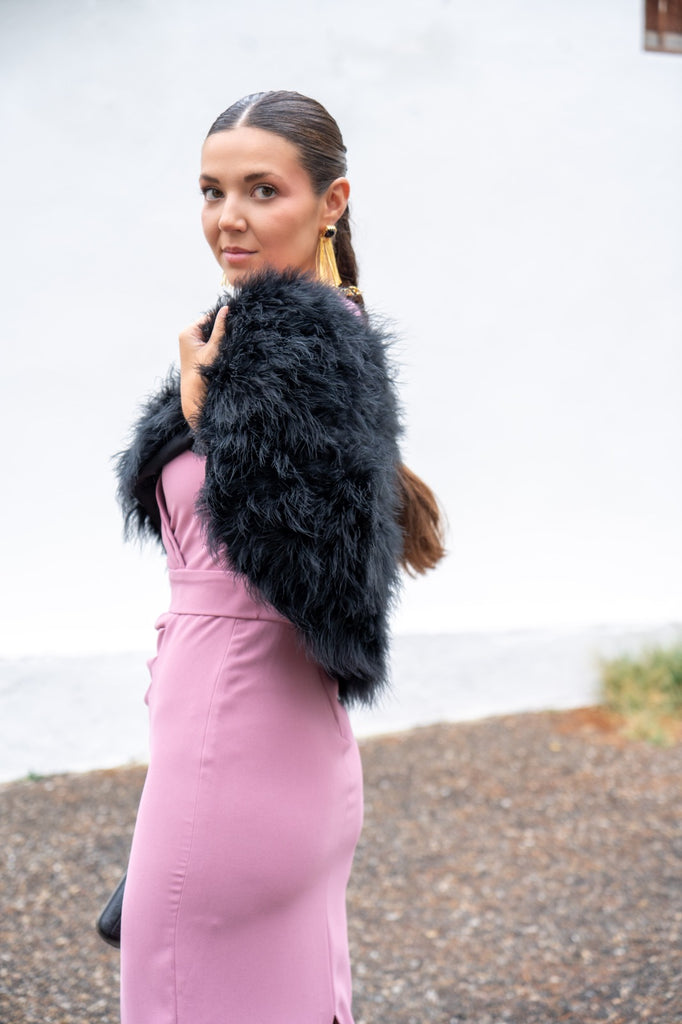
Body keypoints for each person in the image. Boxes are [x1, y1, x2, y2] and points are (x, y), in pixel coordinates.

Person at [115, 90, 444, 1024]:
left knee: (181, 996)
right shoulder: (280, 333)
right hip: (257, 726)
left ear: (331, 202)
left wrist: (202, 406)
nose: (230, 218)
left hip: (237, 730)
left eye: (263, 190)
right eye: (212, 191)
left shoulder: (291, 342)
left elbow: (313, 552)